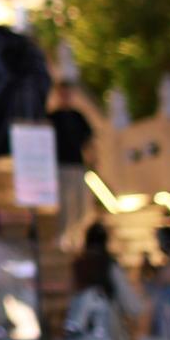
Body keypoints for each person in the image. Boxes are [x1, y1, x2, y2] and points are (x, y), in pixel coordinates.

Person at [49, 82, 95, 248]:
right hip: (61, 165)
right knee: (64, 203)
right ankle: (63, 236)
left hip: (77, 164)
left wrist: (92, 159)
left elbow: (88, 139)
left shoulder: (78, 116)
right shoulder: (53, 117)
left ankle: (77, 236)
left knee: (80, 203)